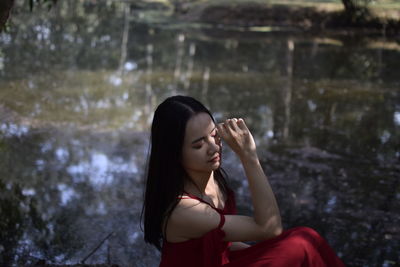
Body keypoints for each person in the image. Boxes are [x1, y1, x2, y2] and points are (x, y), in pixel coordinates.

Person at [141, 95, 345, 267]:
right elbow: (269, 229)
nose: (214, 147)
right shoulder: (183, 210)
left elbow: (225, 243)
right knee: (299, 243)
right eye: (198, 145)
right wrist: (249, 157)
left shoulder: (211, 177)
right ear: (174, 153)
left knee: (307, 239)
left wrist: (269, 253)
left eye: (214, 136)